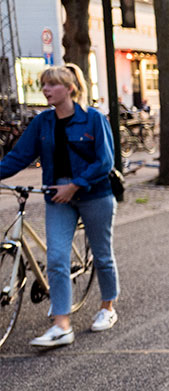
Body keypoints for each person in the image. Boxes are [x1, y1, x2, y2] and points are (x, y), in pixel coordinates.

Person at [0, 64, 120, 348]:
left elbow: (105, 161)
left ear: (69, 89)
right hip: (57, 197)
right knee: (55, 258)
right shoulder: (43, 122)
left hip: (94, 194)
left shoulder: (92, 119)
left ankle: (107, 308)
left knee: (102, 255)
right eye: (43, 85)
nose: (45, 90)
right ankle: (61, 326)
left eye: (52, 85)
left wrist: (75, 185)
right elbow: (18, 158)